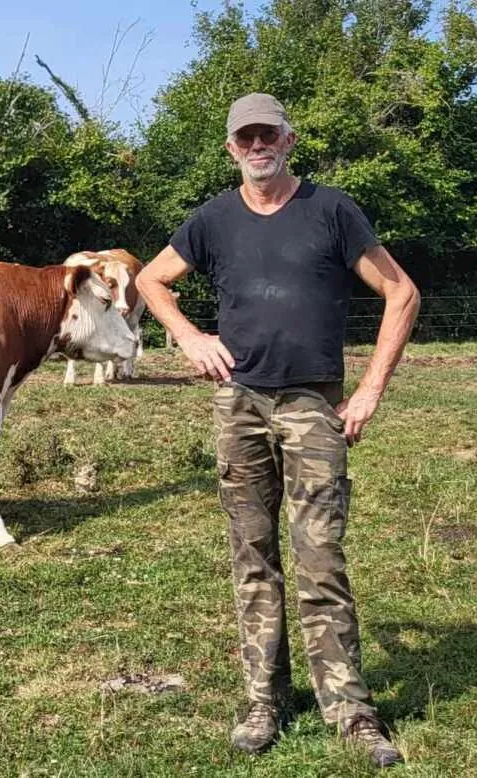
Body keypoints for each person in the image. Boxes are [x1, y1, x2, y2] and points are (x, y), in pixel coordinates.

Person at [135, 93, 420, 769]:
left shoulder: (332, 211)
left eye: (268, 134)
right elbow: (151, 280)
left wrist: (371, 388)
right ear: (232, 148)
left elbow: (402, 293)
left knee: (320, 555)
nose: (257, 145)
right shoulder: (213, 219)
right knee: (252, 554)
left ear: (289, 140)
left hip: (312, 405)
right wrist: (188, 336)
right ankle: (264, 698)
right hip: (238, 405)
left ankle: (349, 710)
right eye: (245, 137)